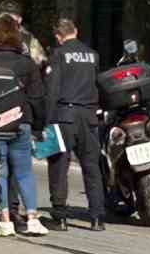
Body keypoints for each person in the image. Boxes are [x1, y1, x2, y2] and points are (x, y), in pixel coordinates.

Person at [0, 18, 48, 238]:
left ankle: (5, 220)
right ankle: (33, 219)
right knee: (25, 172)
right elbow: (37, 98)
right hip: (21, 122)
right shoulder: (27, 64)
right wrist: (38, 126)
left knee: (1, 172)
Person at [45, 16, 106, 231]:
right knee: (92, 167)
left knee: (58, 166)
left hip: (63, 116)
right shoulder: (93, 55)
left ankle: (59, 217)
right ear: (76, 31)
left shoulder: (58, 54)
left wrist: (46, 122)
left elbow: (52, 91)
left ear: (58, 36)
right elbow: (98, 85)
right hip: (89, 116)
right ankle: (97, 217)